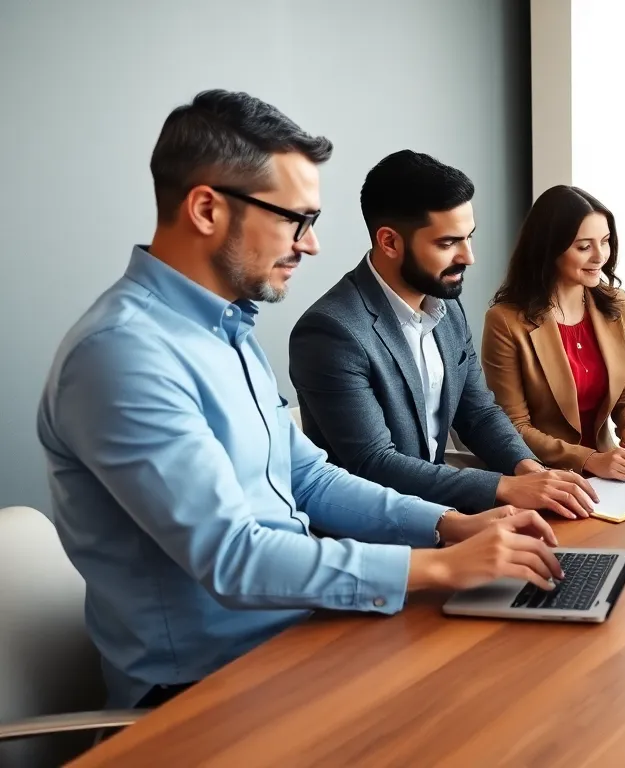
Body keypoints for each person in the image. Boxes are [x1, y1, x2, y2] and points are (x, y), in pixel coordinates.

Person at [35, 91, 562, 711]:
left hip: (300, 635)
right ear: (206, 208)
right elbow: (233, 558)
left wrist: (450, 526)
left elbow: (308, 477)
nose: (310, 245)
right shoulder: (122, 355)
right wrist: (440, 567)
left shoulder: (227, 328)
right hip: (203, 691)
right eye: (296, 219)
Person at [289, 151, 597, 520]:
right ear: (389, 242)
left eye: (469, 237)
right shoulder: (331, 331)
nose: (469, 257)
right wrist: (504, 487)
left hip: (447, 515)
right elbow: (374, 463)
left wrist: (528, 469)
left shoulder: (447, 307)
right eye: (448, 243)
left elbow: (479, 413)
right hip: (375, 534)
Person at [481, 185, 625, 480]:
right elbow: (513, 427)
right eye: (584, 246)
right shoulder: (505, 321)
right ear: (549, 248)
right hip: (544, 478)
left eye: (605, 242)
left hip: (611, 477)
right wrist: (588, 459)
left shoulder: (617, 304)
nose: (600, 256)